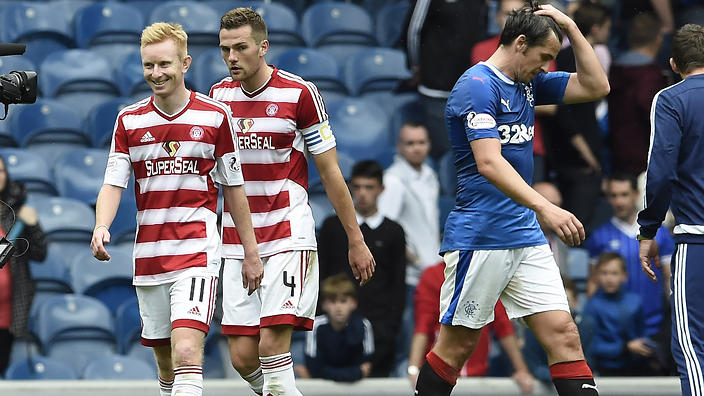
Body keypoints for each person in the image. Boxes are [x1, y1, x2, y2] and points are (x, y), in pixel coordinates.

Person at [414, 1, 610, 395]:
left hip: (525, 235)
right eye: (545, 57)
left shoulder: (527, 82)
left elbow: (596, 86)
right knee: (457, 346)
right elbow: (488, 162)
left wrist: (571, 27)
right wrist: (545, 206)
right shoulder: (476, 86)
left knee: (565, 335)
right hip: (482, 236)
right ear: (520, 43)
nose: (548, 67)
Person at [208, 8, 375, 396]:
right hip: (237, 239)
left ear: (263, 47)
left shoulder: (300, 94)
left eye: (240, 48)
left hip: (287, 233)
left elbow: (331, 173)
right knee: (243, 358)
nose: (231, 57)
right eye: (224, 49)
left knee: (270, 347)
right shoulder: (218, 97)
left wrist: (355, 238)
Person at [90, 22, 262, 396]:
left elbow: (234, 189)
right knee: (166, 365)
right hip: (149, 257)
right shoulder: (129, 120)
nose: (156, 73)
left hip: (196, 252)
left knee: (187, 351)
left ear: (185, 64)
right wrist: (101, 225)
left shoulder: (215, 117)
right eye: (149, 66)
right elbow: (112, 182)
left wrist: (251, 252)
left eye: (164, 64)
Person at [638, 23, 704, 396]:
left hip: (697, 242)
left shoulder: (671, 99)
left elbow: (660, 172)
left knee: (694, 350)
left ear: (674, 64)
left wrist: (648, 231)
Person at [318, 160, 405, 378]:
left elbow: (398, 285)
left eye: (369, 187)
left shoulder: (394, 232)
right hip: (335, 330)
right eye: (357, 187)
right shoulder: (332, 226)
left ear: (381, 189)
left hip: (380, 331)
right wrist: (323, 321)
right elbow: (320, 274)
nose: (362, 193)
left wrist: (389, 329)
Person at [408, 261, 535, 394]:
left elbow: (503, 326)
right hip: (439, 372)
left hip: (476, 375)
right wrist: (414, 368)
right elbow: (423, 325)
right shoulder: (433, 274)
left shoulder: (487, 274)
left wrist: (522, 370)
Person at [377, 121, 439, 374]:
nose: (416, 148)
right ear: (399, 147)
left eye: (421, 143)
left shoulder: (430, 175)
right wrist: (414, 261)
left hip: (434, 274)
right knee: (411, 339)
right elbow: (385, 230)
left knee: (429, 340)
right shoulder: (392, 181)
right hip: (412, 279)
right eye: (410, 143)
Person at [548, 1, 612, 235]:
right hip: (577, 157)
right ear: (596, 28)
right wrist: (587, 154)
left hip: (577, 152)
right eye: (607, 27)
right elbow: (563, 113)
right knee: (576, 226)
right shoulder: (565, 58)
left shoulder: (586, 55)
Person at [586, 173, 674, 337]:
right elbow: (593, 282)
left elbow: (669, 277)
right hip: (614, 329)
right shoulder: (599, 236)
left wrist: (675, 314)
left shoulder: (659, 233)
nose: (619, 202)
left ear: (636, 195)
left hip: (657, 324)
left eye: (624, 195)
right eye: (614, 196)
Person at [401, 0, 489, 160]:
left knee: (472, 157)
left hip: (471, 90)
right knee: (445, 157)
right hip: (437, 90)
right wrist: (415, 65)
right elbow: (413, 30)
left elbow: (482, 28)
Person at [0, 155, 47, 375]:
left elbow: (40, 253)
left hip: (6, 314)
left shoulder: (17, 212)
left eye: (1, 171)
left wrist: (33, 224)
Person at [608, 13, 667, 175]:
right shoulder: (650, 74)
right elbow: (650, 111)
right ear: (658, 39)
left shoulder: (615, 69)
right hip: (645, 153)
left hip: (617, 149)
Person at [582, 252, 654, 376]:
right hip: (606, 369)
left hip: (637, 365)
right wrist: (625, 347)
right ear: (597, 276)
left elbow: (643, 333)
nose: (609, 278)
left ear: (624, 276)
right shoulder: (592, 306)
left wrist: (646, 346)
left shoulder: (635, 301)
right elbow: (592, 347)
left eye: (614, 273)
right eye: (604, 273)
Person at [301, 274, 374, 382]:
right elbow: (314, 368)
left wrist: (330, 373)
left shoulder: (364, 325)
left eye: (343, 301)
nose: (338, 307)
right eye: (332, 301)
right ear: (324, 304)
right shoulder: (315, 326)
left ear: (353, 303)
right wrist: (354, 373)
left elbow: (366, 366)